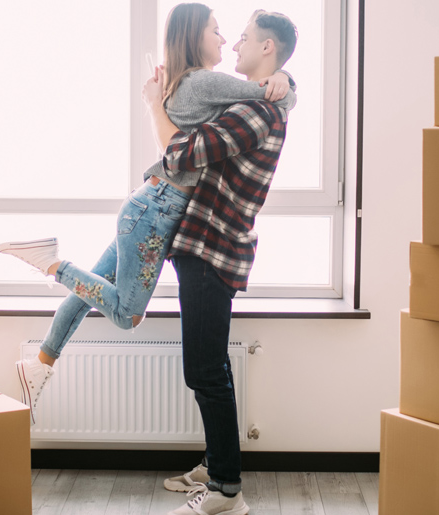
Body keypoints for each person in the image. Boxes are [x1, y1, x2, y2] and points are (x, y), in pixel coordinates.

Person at [0, 3, 297, 429]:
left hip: (146, 207)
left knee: (91, 292)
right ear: (195, 36)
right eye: (216, 30)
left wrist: (282, 76)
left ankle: (40, 364)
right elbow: (276, 97)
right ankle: (51, 262)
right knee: (127, 314)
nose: (225, 40)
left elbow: (270, 92)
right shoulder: (204, 82)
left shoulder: (186, 83)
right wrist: (285, 80)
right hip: (157, 212)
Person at [144, 9, 298, 515]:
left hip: (213, 250)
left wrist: (156, 111)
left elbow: (184, 153)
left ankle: (227, 491)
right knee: (209, 367)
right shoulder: (251, 102)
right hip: (205, 248)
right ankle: (215, 464)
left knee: (205, 370)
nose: (234, 46)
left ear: (268, 49)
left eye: (246, 39)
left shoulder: (258, 113)